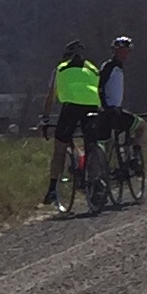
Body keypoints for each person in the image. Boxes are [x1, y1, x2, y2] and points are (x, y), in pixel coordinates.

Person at [43, 41, 101, 205]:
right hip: (92, 107)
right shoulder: (93, 69)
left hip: (71, 108)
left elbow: (50, 97)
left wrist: (45, 119)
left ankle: (52, 189)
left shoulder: (61, 69)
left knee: (60, 148)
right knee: (92, 145)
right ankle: (97, 182)